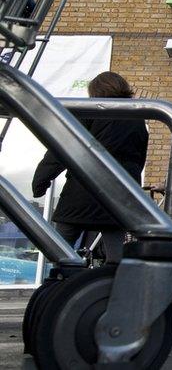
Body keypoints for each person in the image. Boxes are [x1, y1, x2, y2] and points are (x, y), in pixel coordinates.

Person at [31, 71, 148, 264]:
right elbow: (138, 159)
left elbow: (61, 147)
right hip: (119, 195)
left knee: (60, 251)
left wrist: (41, 180)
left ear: (95, 91)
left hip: (82, 191)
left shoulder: (90, 110)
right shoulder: (137, 118)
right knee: (116, 257)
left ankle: (60, 288)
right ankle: (111, 290)